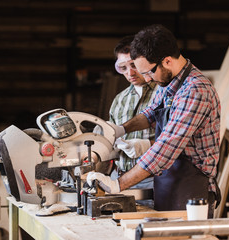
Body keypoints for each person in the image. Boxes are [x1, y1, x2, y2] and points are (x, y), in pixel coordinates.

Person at [87, 24, 221, 218]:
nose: (148, 79)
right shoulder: (168, 83)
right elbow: (151, 113)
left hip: (192, 186)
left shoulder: (195, 90)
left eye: (149, 72)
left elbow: (167, 146)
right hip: (168, 180)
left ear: (167, 61)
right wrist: (120, 130)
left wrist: (118, 184)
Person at [108, 35, 158, 189]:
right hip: (120, 177)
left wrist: (147, 145)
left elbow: (178, 141)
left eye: (134, 65)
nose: (130, 74)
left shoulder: (163, 94)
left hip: (153, 180)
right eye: (123, 68)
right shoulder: (119, 100)